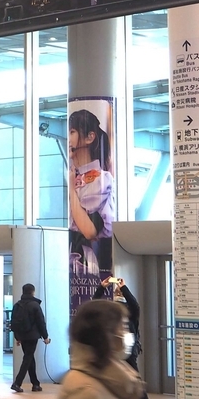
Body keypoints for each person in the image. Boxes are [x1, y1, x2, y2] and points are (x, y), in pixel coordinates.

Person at [50, 299, 155, 399]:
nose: (127, 333)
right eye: (124, 326)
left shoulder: (110, 380)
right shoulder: (86, 392)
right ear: (107, 333)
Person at [93, 277, 151, 399]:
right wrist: (118, 288)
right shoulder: (128, 313)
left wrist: (103, 288)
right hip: (125, 350)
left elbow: (94, 307)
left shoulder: (125, 312)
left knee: (112, 379)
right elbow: (135, 305)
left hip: (118, 349)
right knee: (134, 380)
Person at [69, 108, 115, 281]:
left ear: (90, 137)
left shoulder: (101, 179)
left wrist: (71, 189)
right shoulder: (76, 176)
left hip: (92, 263)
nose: (68, 138)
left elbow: (89, 231)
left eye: (72, 131)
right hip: (76, 261)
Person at [11, 283, 51, 393]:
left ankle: (35, 384)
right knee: (27, 358)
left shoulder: (17, 305)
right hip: (32, 336)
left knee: (29, 358)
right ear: (33, 292)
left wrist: (17, 337)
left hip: (22, 336)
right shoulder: (35, 305)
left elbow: (13, 323)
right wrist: (46, 337)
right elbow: (41, 322)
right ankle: (17, 383)